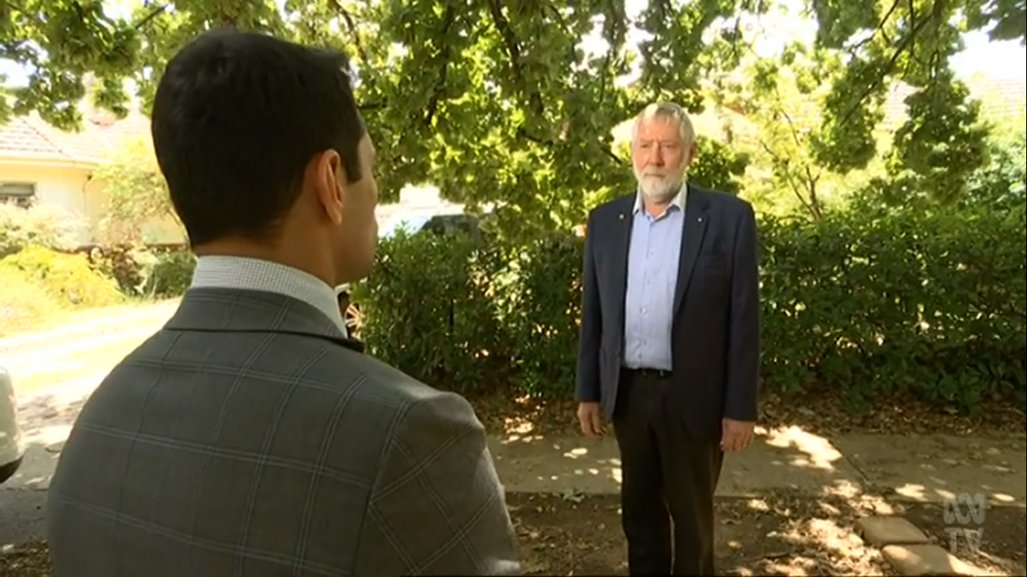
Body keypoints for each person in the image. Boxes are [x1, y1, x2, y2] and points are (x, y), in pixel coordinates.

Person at [46, 30, 520, 577]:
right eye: (372, 169)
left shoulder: (100, 421)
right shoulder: (411, 436)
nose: (376, 194)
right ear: (330, 182)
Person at [575, 102, 761, 576]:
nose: (654, 158)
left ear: (689, 154)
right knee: (640, 519)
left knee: (693, 524)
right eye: (645, 145)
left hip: (694, 398)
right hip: (630, 396)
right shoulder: (606, 222)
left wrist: (740, 408)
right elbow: (594, 315)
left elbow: (744, 321)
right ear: (632, 152)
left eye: (667, 146)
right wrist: (588, 391)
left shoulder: (729, 219)